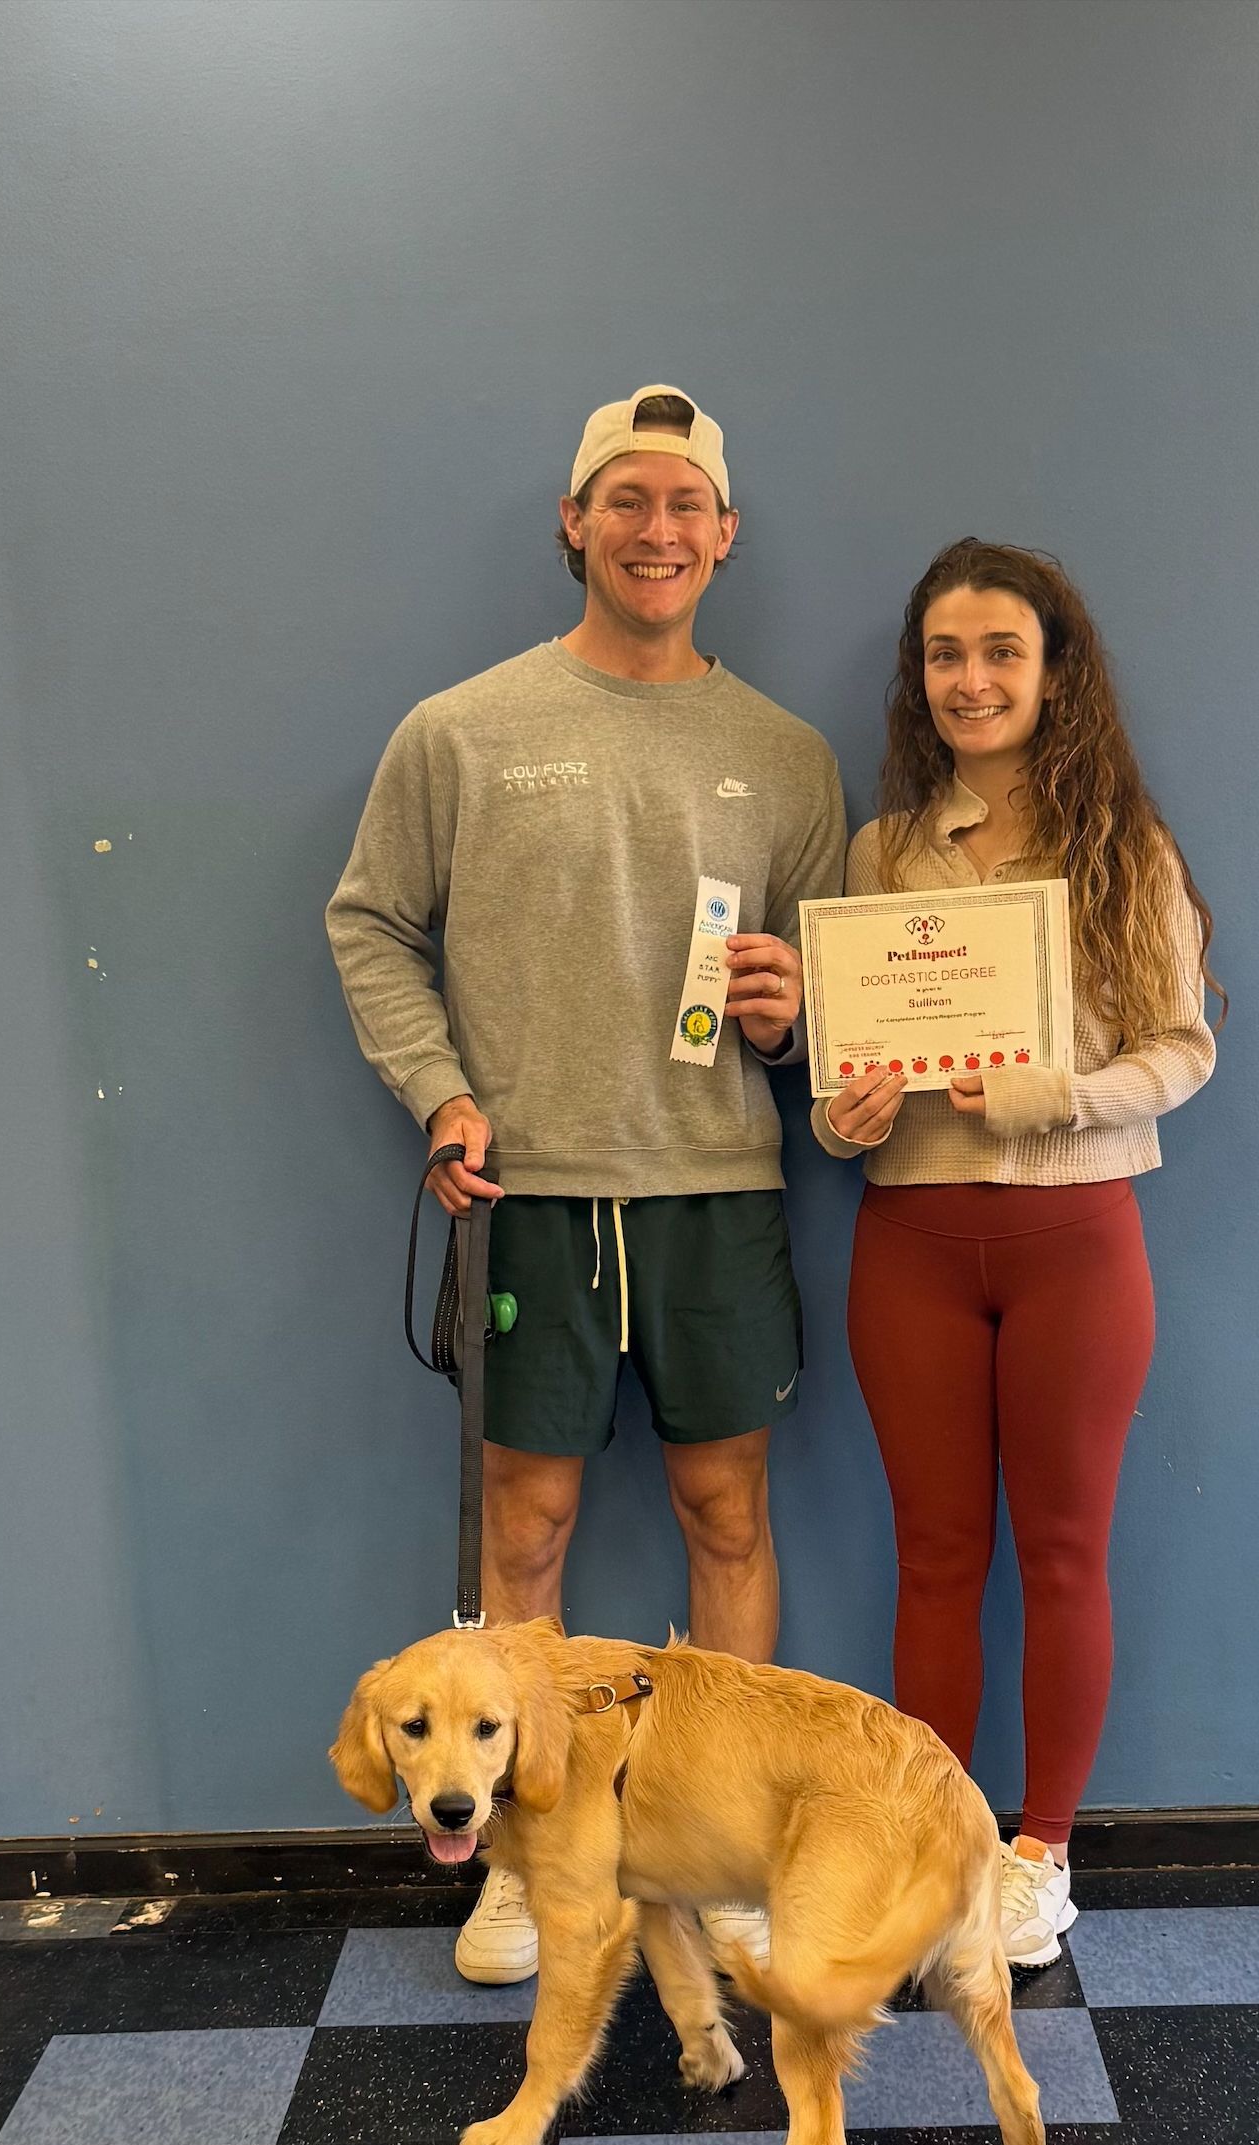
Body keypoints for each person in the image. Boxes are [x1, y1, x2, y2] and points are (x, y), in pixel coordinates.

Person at [327, 386, 845, 1983]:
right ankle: (522, 1861)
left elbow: (823, 989)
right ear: (575, 524)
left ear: (727, 535)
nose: (658, 530)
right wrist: (443, 1094)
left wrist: (790, 1010)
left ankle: (724, 1852)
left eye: (687, 505)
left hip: (715, 1195)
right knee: (527, 1537)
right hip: (528, 1202)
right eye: (626, 501)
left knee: (727, 1516)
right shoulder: (460, 731)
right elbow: (369, 923)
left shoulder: (786, 753)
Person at [814, 538, 1222, 1967]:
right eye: (945, 656)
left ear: (1057, 675)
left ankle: (1039, 1852)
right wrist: (845, 1110)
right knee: (932, 1555)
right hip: (911, 1240)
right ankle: (937, 1846)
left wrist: (1052, 1094)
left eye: (1001, 653)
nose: (971, 681)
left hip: (1075, 1238)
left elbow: (1185, 1050)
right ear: (916, 679)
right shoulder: (878, 854)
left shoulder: (1125, 843)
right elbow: (850, 1081)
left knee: (1061, 1554)